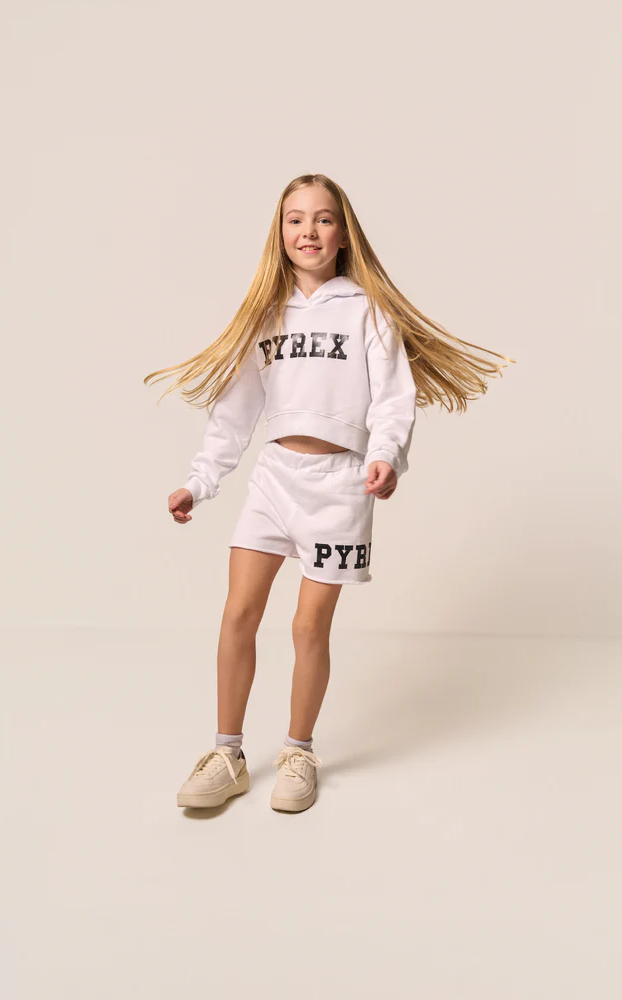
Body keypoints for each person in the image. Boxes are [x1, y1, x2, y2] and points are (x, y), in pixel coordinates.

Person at [143, 173, 515, 814]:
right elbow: (235, 413)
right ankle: (227, 755)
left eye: (322, 218)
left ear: (344, 234)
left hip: (340, 486)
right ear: (279, 232)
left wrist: (384, 457)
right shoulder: (263, 316)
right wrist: (199, 483)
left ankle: (298, 752)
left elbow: (394, 399)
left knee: (308, 626)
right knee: (238, 614)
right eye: (295, 219)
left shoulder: (368, 309)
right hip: (274, 478)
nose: (308, 231)